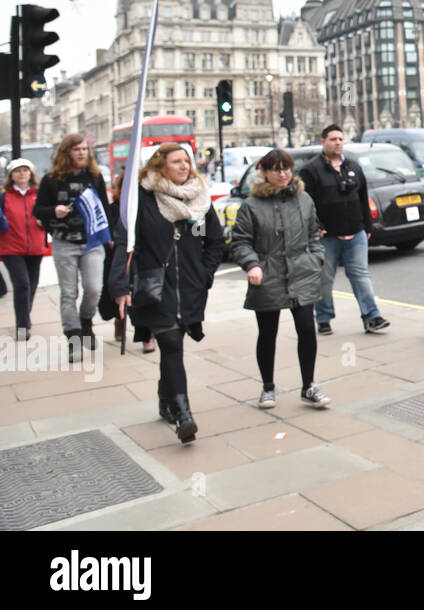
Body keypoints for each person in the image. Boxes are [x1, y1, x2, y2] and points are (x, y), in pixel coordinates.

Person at [110, 144, 224, 444]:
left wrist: (205, 274)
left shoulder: (200, 197)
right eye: (176, 161)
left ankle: (165, 398)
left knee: (174, 347)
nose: (184, 166)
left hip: (189, 286)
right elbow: (124, 243)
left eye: (187, 161)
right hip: (154, 287)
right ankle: (184, 416)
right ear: (161, 165)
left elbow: (215, 241)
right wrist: (120, 286)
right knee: (171, 343)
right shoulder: (143, 199)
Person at [229, 149, 331, 409]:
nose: (283, 174)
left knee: (307, 329)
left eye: (286, 168)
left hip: (302, 271)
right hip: (267, 274)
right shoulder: (251, 205)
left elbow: (313, 234)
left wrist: (316, 257)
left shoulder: (304, 199)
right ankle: (268, 387)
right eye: (276, 169)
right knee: (268, 332)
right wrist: (252, 264)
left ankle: (308, 386)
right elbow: (240, 241)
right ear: (264, 172)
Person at [298, 124, 390, 335]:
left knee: (360, 275)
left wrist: (367, 226)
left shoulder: (354, 166)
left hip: (356, 232)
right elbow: (306, 204)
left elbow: (362, 197)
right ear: (323, 142)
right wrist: (316, 228)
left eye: (340, 139)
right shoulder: (311, 170)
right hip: (327, 236)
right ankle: (323, 318)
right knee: (324, 279)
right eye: (333, 139)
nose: (337, 142)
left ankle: (372, 316)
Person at [35, 134, 111, 359]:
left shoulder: (95, 178)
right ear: (66, 152)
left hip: (92, 243)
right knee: (69, 292)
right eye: (76, 149)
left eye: (85, 149)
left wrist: (111, 237)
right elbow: (38, 210)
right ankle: (73, 337)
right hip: (64, 242)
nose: (81, 153)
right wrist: (54, 211)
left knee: (93, 288)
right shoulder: (51, 180)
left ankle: (86, 320)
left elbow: (105, 210)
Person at [99, 172, 154, 352]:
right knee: (122, 293)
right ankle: (120, 320)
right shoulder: (117, 207)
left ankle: (146, 334)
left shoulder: (148, 206)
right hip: (122, 256)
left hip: (144, 256)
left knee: (144, 295)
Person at [1, 159, 49, 342]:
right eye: (18, 171)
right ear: (11, 175)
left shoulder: (39, 194)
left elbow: (47, 214)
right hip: (11, 247)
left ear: (31, 173)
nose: (22, 174)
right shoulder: (4, 196)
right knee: (22, 284)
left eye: (25, 170)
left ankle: (25, 317)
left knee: (32, 285)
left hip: (35, 247)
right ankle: (22, 326)